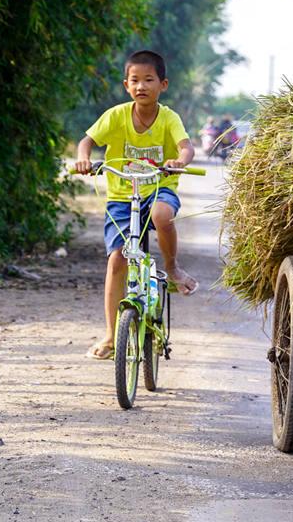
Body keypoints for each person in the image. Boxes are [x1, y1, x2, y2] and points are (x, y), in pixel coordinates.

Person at [75, 50, 199, 360]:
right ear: (126, 85)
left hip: (159, 189)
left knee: (162, 215)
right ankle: (110, 334)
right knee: (117, 260)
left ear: (163, 84)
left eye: (149, 79)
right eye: (135, 80)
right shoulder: (116, 115)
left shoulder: (169, 118)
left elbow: (186, 147)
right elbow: (87, 141)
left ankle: (171, 267)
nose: (141, 86)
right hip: (122, 196)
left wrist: (179, 161)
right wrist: (83, 158)